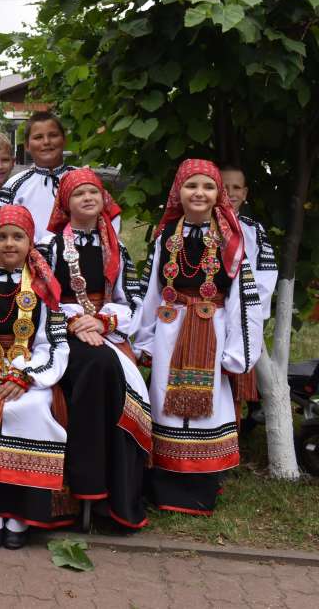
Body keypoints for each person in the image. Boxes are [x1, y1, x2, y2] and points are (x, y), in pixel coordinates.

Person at [134, 159, 264, 515]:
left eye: (208, 186)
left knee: (210, 405)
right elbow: (152, 289)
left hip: (213, 328)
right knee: (164, 400)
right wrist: (144, 340)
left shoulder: (230, 239)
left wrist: (238, 350)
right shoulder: (166, 236)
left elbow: (241, 297)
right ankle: (164, 485)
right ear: (178, 191)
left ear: (218, 193)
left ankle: (201, 487)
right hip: (170, 329)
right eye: (192, 185)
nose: (199, 193)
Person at [39, 169, 151, 530]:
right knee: (99, 365)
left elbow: (132, 299)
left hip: (106, 331)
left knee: (117, 376)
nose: (87, 198)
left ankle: (112, 495)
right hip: (61, 333)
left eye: (94, 192)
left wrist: (103, 322)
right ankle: (87, 487)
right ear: (65, 203)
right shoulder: (49, 247)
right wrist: (75, 322)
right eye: (78, 194)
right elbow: (41, 298)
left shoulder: (116, 248)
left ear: (104, 199)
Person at [0, 205, 73, 549]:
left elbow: (54, 343)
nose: (9, 244)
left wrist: (25, 375)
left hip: (30, 375)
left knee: (31, 411)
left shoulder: (45, 287)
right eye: (2, 237)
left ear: (30, 243)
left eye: (18, 237)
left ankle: (23, 514)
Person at [220, 164, 277, 410]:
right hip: (207, 314)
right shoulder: (201, 226)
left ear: (244, 193)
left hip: (241, 315)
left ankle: (234, 426)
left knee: (233, 386)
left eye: (236, 187)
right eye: (224, 187)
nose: (230, 193)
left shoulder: (254, 231)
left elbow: (266, 278)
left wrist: (250, 314)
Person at [3, 112, 79, 239]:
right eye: (38, 137)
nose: (46, 142)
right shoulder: (14, 185)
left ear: (64, 140)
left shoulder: (82, 178)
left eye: (53, 135)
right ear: (27, 146)